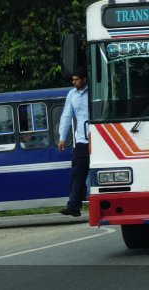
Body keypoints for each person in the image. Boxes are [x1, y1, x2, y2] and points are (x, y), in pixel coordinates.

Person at [58, 66, 90, 217]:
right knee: (77, 173)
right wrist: (62, 137)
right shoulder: (72, 94)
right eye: (73, 80)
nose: (74, 82)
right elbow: (66, 116)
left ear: (84, 79)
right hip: (82, 140)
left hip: (101, 139)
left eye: (77, 80)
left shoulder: (96, 90)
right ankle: (74, 206)